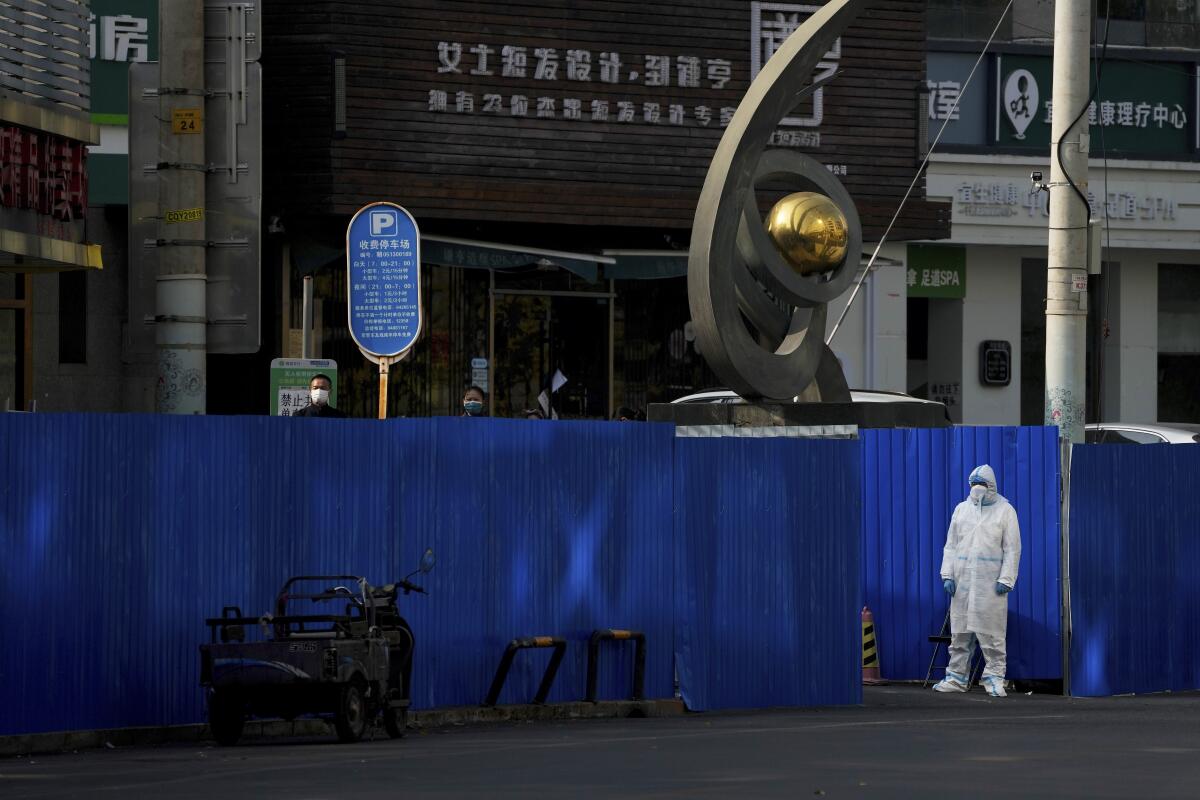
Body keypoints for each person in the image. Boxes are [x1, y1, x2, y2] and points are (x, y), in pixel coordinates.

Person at [933, 464, 1021, 698]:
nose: (976, 489)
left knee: (991, 634)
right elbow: (951, 545)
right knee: (960, 633)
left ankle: (994, 678)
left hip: (989, 585)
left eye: (981, 485)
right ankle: (956, 677)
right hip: (962, 581)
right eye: (973, 485)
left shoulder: (1005, 511)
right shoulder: (961, 510)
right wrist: (947, 574)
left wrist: (1006, 578)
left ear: (991, 487)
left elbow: (1012, 549)